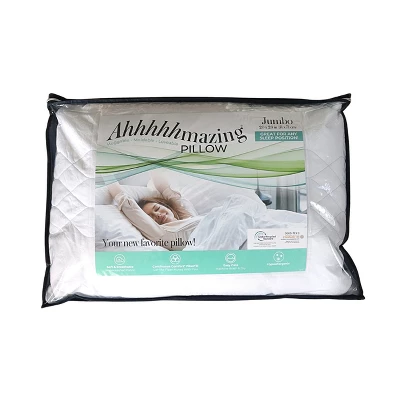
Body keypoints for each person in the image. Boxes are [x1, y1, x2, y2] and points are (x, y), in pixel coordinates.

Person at [108, 171, 203, 250]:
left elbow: (164, 188)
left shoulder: (188, 215)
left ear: (167, 207)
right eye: (151, 217)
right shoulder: (162, 233)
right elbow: (127, 204)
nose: (157, 214)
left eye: (157, 208)